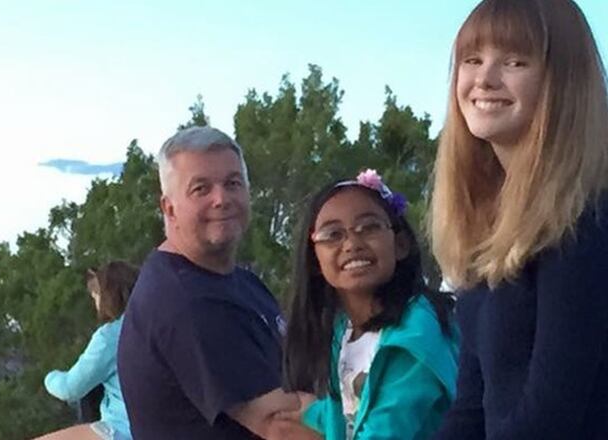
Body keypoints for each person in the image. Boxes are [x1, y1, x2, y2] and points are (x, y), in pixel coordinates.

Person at [429, 0, 608, 439]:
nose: (485, 78)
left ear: (563, 82)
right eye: (472, 60)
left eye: (515, 61)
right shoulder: (490, 230)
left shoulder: (588, 223)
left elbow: (547, 419)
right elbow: (470, 412)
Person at [116, 126, 298, 439]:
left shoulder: (240, 282)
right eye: (201, 189)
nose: (221, 199)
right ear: (169, 208)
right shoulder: (185, 300)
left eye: (232, 184)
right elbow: (281, 425)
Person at [274, 169, 459, 439]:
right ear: (315, 260)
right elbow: (351, 411)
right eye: (333, 234)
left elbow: (391, 426)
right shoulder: (343, 329)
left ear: (400, 245)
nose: (352, 243)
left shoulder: (416, 332)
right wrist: (310, 413)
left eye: (369, 227)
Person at [37, 261, 138, 440]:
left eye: (95, 296)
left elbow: (70, 389)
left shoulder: (110, 337)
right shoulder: (157, 326)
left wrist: (49, 377)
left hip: (123, 430)